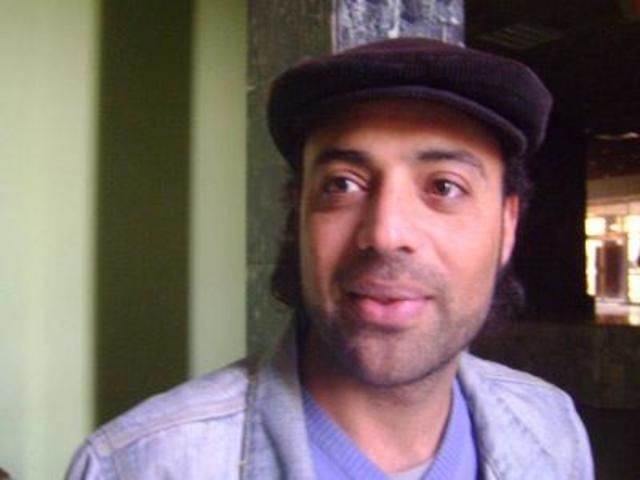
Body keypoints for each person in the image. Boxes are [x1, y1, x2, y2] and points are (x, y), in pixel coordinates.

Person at [67, 38, 594, 479]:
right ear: (297, 217)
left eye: (444, 187)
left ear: (507, 226)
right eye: (342, 184)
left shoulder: (552, 429)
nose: (385, 233)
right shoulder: (139, 466)